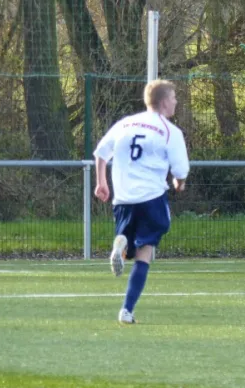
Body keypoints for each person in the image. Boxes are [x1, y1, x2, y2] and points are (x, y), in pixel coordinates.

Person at [93, 79, 190, 324]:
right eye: (174, 98)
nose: (176, 102)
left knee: (130, 246)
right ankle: (126, 310)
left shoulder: (124, 123)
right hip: (151, 197)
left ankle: (122, 243)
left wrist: (101, 182)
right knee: (146, 249)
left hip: (123, 198)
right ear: (165, 101)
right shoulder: (170, 131)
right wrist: (180, 183)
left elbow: (101, 152)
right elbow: (180, 170)